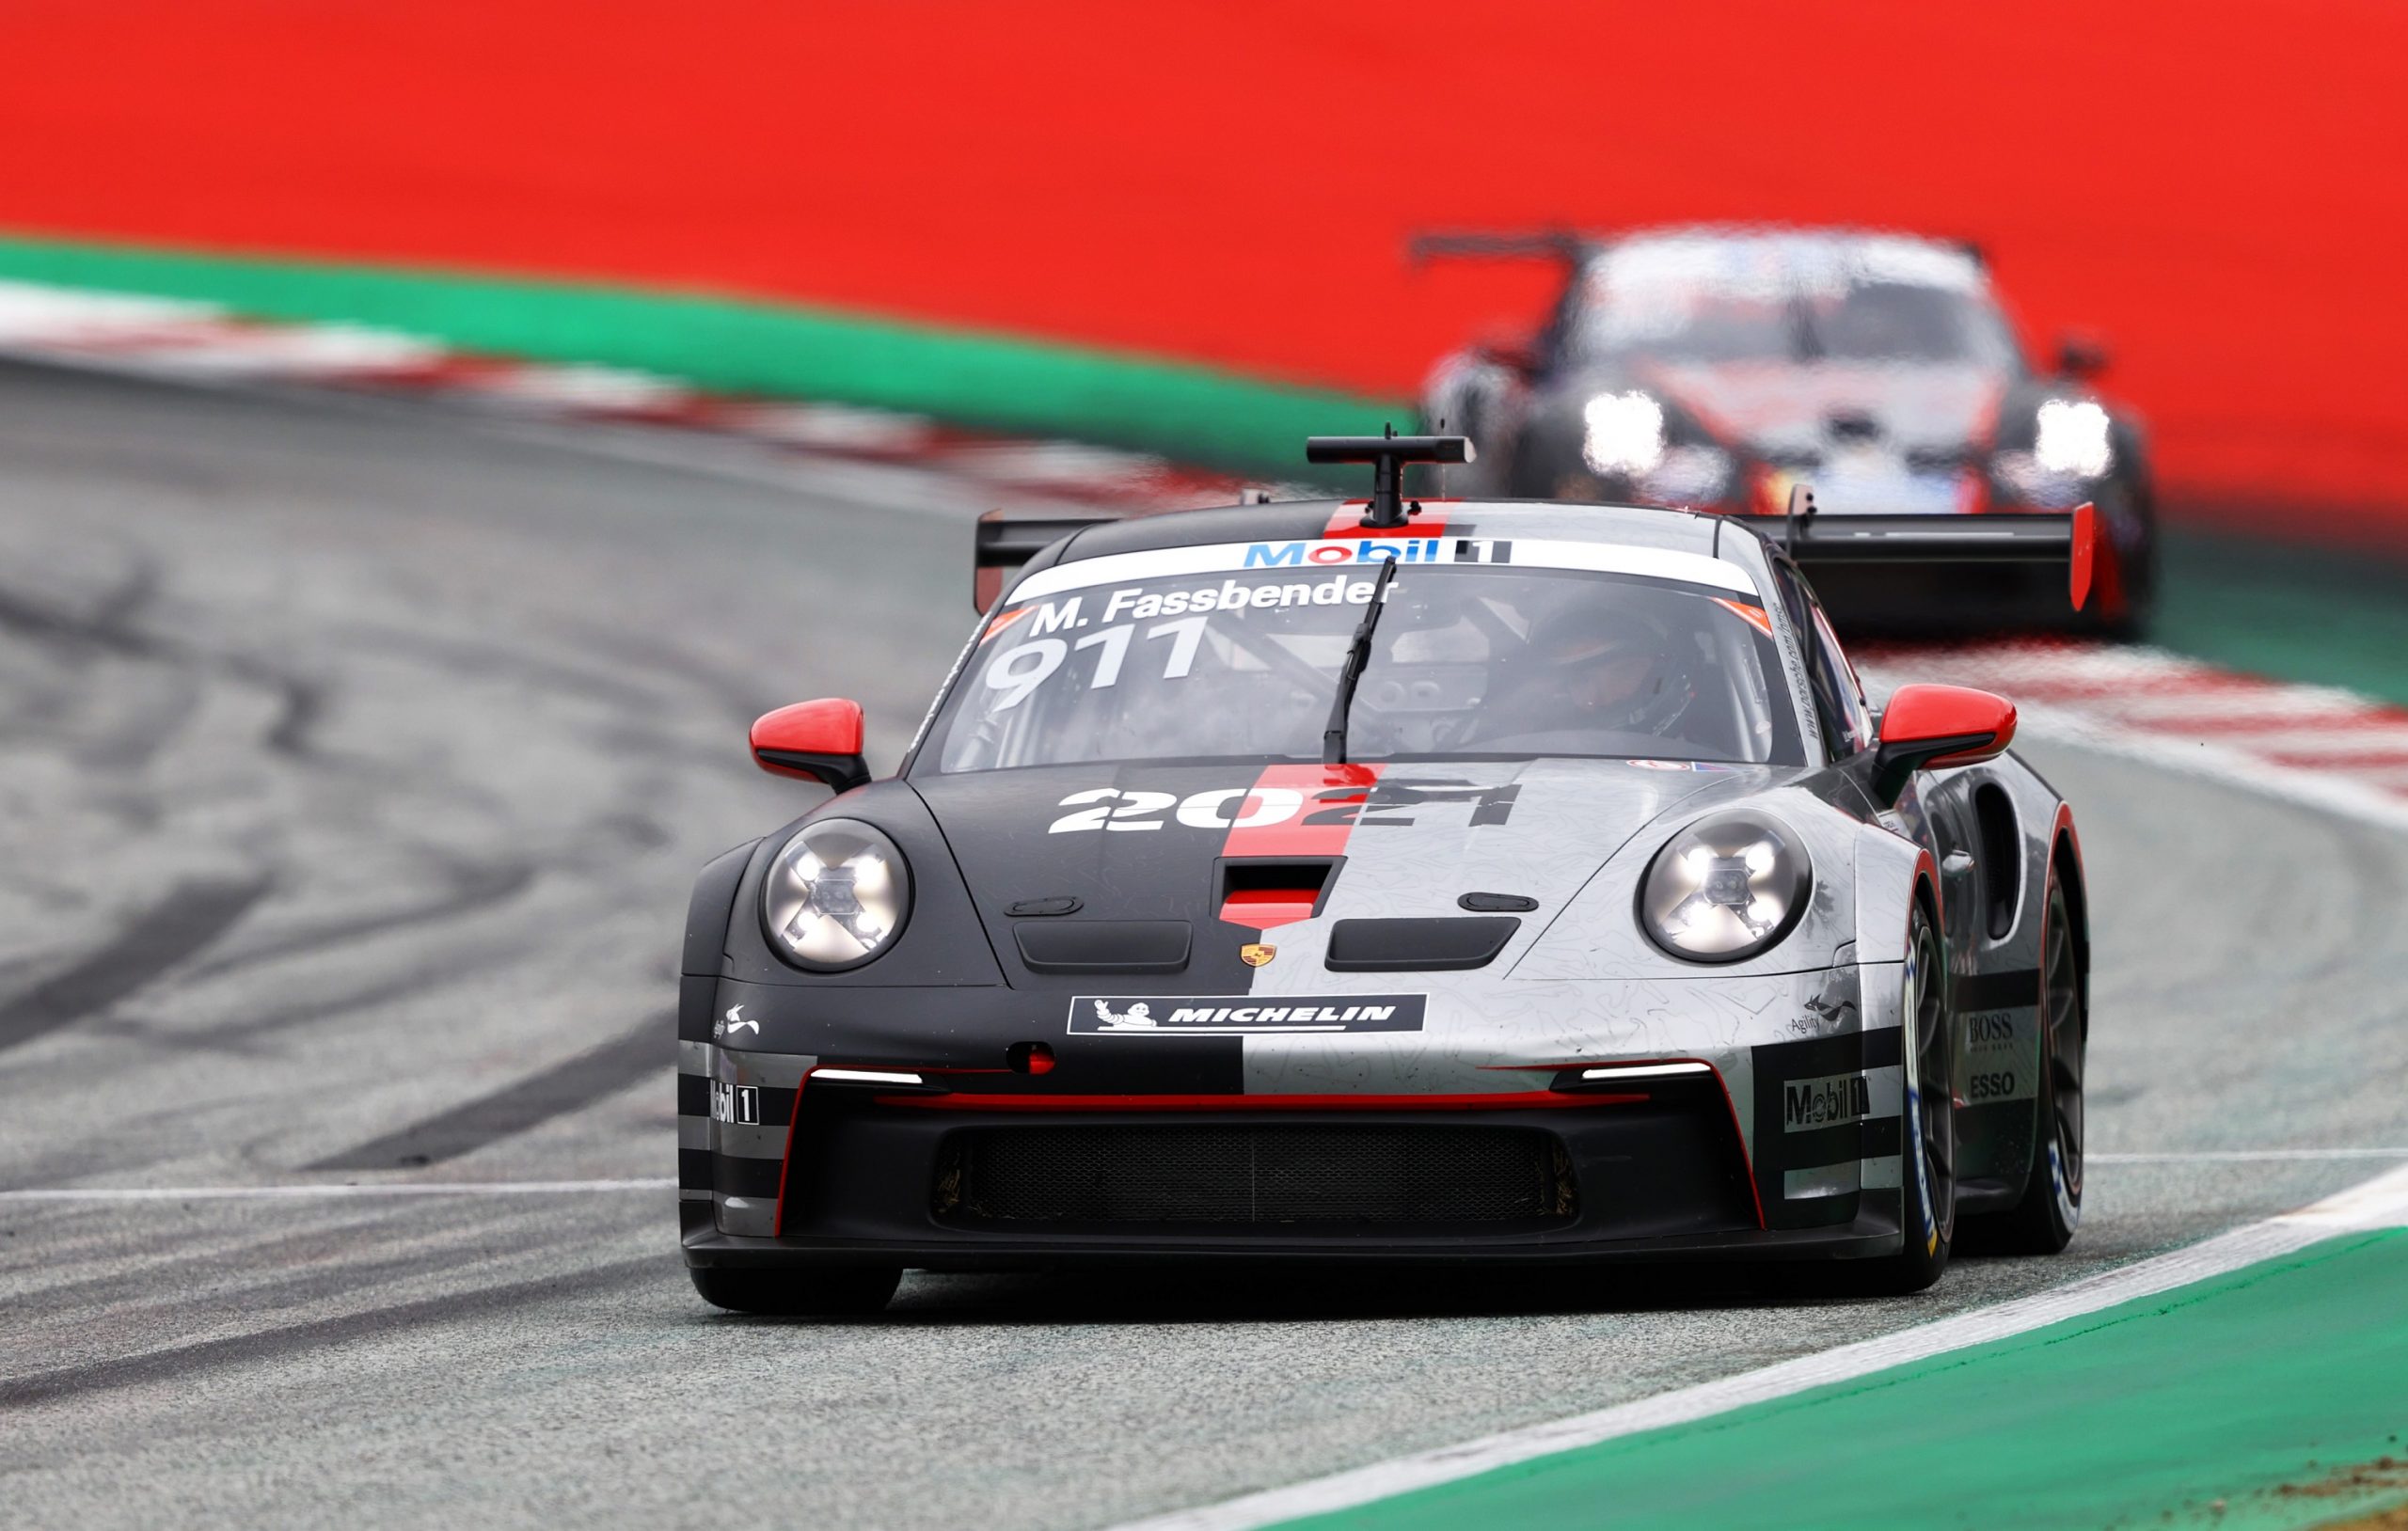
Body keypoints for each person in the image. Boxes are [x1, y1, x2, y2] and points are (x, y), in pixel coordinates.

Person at [1475, 600, 1696, 744]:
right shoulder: (1533, 754)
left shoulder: (1722, 770)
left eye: (1623, 672)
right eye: (1582, 679)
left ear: (1665, 675)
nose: (1603, 696)